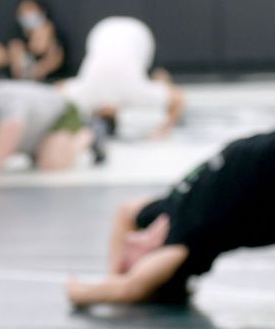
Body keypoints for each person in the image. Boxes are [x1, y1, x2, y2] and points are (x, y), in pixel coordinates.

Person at [67, 131, 275, 307]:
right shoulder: (181, 241)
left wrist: (113, 275)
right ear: (153, 259)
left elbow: (124, 212)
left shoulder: (163, 213)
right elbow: (130, 289)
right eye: (129, 260)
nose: (129, 240)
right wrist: (81, 291)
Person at [60, 16, 185, 139]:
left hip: (133, 34)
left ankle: (160, 81)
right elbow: (57, 92)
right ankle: (160, 81)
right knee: (156, 78)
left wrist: (163, 130)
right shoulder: (84, 96)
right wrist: (163, 129)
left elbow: (179, 98)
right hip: (105, 31)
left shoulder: (133, 95)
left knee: (157, 78)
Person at [0, 0, 65, 81]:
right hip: (17, 77)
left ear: (41, 10)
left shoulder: (51, 32)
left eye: (30, 9)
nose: (27, 14)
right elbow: (14, 50)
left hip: (47, 78)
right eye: (23, 12)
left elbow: (51, 55)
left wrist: (41, 68)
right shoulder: (17, 33)